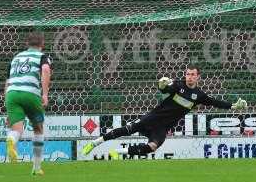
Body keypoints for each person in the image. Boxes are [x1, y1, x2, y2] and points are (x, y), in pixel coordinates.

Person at [82, 65, 247, 159]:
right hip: (152, 118)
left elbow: (214, 102)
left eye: (193, 75)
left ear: (198, 77)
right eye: (188, 74)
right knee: (127, 130)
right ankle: (94, 143)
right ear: (186, 75)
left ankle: (116, 153)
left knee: (152, 147)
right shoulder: (178, 85)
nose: (190, 77)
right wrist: (161, 84)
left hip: (163, 127)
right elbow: (165, 89)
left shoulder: (199, 95)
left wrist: (233, 106)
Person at [5, 32, 52, 175]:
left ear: (27, 44)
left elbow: (7, 82)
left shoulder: (16, 58)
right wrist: (44, 94)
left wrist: (8, 108)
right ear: (42, 44)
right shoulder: (42, 56)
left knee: (17, 130)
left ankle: (11, 139)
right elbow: (45, 69)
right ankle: (36, 168)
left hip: (11, 94)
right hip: (30, 94)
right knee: (38, 129)